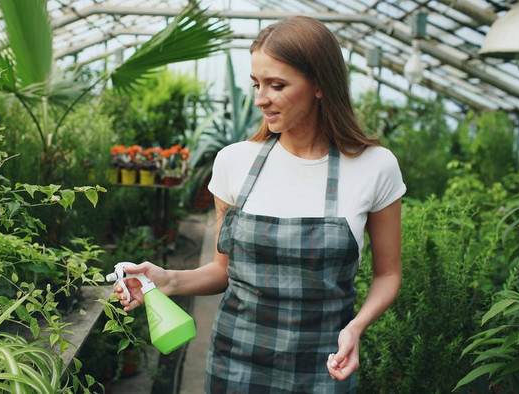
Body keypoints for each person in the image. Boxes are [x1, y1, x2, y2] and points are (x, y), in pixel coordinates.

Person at [114, 16, 405, 393]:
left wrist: (355, 327)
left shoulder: (374, 166)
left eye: (276, 85)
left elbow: (387, 275)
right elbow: (224, 270)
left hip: (326, 363)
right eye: (256, 84)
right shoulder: (235, 162)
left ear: (319, 84)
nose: (260, 99)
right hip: (235, 361)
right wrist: (168, 279)